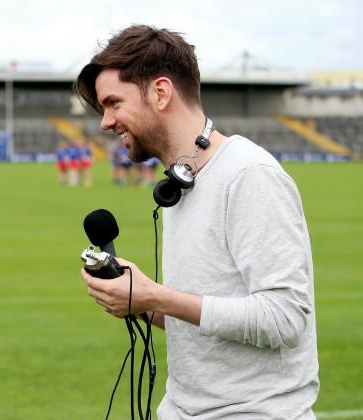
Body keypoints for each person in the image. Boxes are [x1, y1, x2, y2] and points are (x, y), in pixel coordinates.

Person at [74, 25, 319, 419]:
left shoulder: (248, 174)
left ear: (160, 92)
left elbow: (285, 318)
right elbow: (206, 319)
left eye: (113, 102)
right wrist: (139, 301)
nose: (106, 121)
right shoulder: (180, 182)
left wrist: (157, 296)